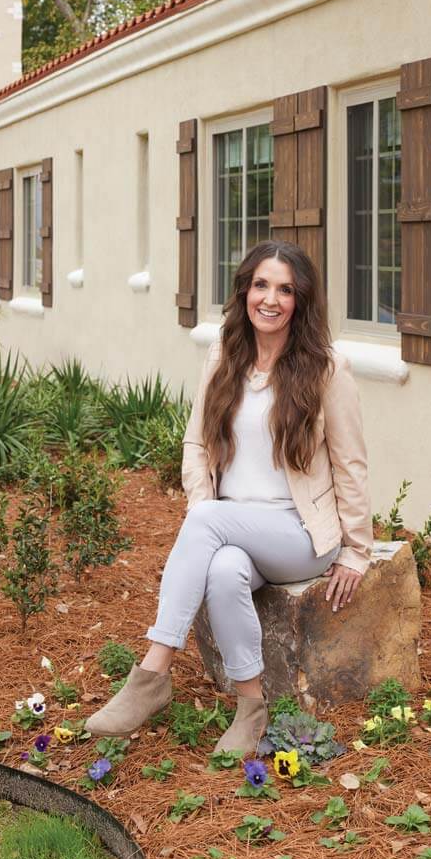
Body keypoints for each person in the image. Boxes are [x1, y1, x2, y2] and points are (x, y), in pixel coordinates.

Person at [85, 240, 372, 754]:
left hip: (300, 533)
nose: (271, 299)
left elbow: (351, 464)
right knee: (222, 572)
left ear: (301, 301)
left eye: (285, 290)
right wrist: (204, 511)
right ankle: (250, 706)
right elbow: (196, 442)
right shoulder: (224, 355)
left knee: (210, 525)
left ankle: (153, 672)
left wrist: (356, 548)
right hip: (232, 524)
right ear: (244, 291)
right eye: (261, 285)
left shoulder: (327, 369)